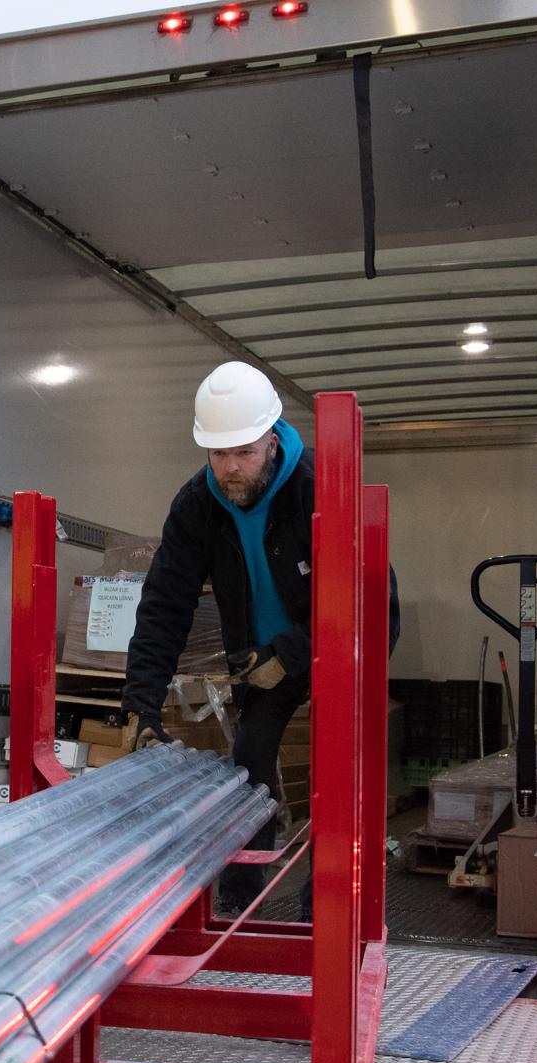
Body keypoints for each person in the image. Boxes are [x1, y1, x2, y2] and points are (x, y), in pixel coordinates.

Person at [121, 361, 395, 918]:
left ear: (273, 437)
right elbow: (163, 609)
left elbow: (378, 614)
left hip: (339, 650)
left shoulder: (322, 488)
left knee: (338, 772)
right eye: (218, 455)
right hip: (263, 664)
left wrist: (291, 654)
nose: (230, 469)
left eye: (244, 452)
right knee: (250, 761)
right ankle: (241, 901)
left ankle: (326, 911)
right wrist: (140, 706)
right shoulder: (198, 505)